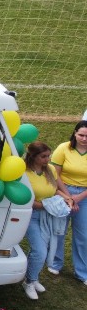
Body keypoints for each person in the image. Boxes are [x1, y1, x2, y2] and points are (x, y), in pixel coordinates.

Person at [23, 141, 76, 299]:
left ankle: (33, 278)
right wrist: (45, 206)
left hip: (48, 216)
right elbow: (27, 200)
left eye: (48, 156)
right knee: (40, 250)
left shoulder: (50, 169)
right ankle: (29, 282)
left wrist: (67, 198)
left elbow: (56, 190)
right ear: (33, 156)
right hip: (31, 216)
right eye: (43, 156)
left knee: (42, 250)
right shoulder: (24, 173)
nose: (47, 159)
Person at [51, 120, 87, 285]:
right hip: (63, 192)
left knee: (83, 236)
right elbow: (55, 175)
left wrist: (78, 198)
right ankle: (55, 263)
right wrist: (68, 197)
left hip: (84, 195)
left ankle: (82, 272)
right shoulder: (63, 148)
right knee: (59, 231)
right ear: (75, 133)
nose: (84, 139)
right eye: (81, 135)